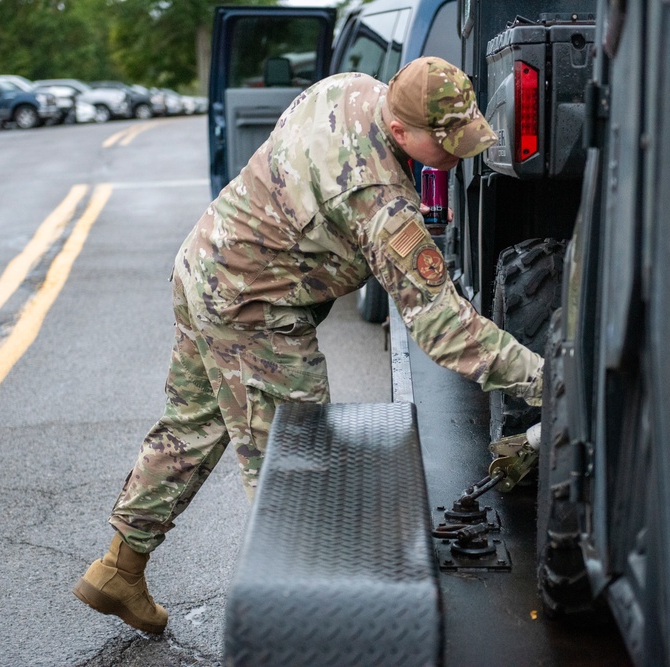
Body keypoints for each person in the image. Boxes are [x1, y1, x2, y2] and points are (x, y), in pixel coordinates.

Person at [71, 57, 544, 634]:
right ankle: (306, 633)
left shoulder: (353, 88)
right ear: (401, 131)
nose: (459, 152)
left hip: (206, 261)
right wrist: (548, 380)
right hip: (254, 311)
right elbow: (444, 327)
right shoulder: (380, 201)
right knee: (301, 476)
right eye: (446, 141)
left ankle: (118, 570)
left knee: (189, 427)